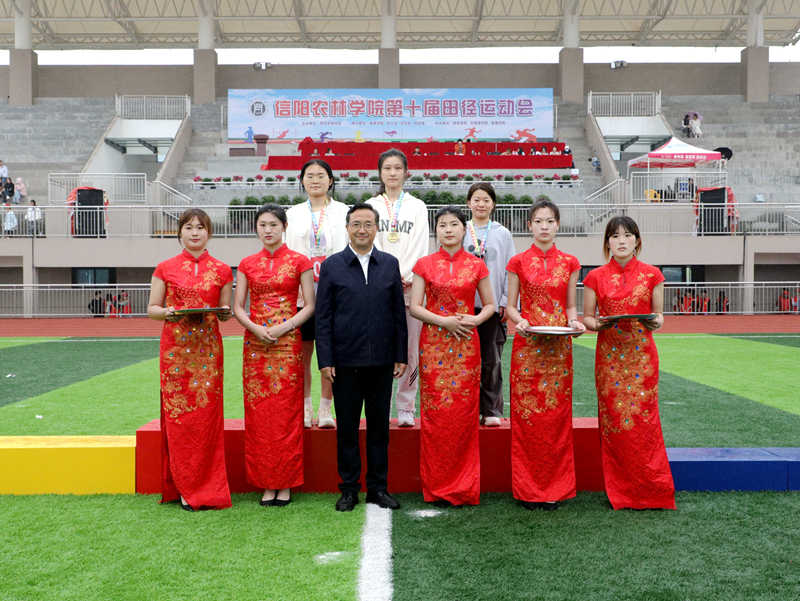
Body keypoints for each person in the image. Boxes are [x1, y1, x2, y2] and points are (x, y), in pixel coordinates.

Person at [315, 203, 408, 512]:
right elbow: (323, 318)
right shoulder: (332, 266)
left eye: (368, 224)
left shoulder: (390, 264)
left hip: (382, 361)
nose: (362, 229)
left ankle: (378, 488)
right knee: (347, 429)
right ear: (347, 228)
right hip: (344, 363)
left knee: (379, 428)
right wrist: (325, 359)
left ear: (377, 228)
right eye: (356, 224)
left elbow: (398, 313)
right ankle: (349, 489)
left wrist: (400, 354)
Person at [582, 216, 676, 511]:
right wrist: (599, 325)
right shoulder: (595, 277)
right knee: (615, 421)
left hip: (642, 359)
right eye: (614, 236)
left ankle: (651, 488)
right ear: (607, 242)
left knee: (645, 422)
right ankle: (622, 491)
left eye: (627, 235)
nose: (621, 241)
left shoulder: (652, 275)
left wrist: (655, 322)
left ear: (637, 240)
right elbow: (588, 318)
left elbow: (659, 316)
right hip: (609, 359)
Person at [147, 208, 234, 511]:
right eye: (188, 227)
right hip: (175, 354)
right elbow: (153, 309)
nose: (195, 233)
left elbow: (224, 312)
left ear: (209, 232)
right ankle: (185, 487)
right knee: (180, 420)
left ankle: (208, 487)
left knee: (207, 420)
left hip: (208, 353)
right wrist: (167, 312)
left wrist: (225, 313)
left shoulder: (222, 270)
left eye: (200, 227)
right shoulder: (165, 268)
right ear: (180, 232)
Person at [410, 206, 495, 507]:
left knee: (463, 414)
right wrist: (443, 321)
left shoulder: (476, 265)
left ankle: (463, 487)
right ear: (436, 231)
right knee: (436, 414)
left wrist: (475, 319)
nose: (448, 229)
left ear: (463, 229)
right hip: (433, 344)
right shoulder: (424, 264)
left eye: (454, 224)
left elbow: (490, 305)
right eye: (443, 225)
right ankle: (436, 487)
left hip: (466, 346)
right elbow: (415, 307)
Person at [505, 199, 585, 511]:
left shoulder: (570, 262)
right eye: (538, 221)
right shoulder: (518, 262)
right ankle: (527, 490)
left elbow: (570, 306)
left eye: (550, 221)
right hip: (527, 348)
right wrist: (520, 321)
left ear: (557, 225)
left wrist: (574, 323)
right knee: (528, 419)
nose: (544, 226)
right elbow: (511, 306)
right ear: (529, 225)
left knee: (555, 418)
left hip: (559, 349)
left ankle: (554, 489)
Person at [233, 204, 316, 507]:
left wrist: (285, 327)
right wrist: (255, 328)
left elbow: (310, 305)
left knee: (286, 413)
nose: (268, 230)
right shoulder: (247, 263)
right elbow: (238, 307)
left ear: (284, 227)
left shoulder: (300, 261)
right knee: (259, 414)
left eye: (273, 225)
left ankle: (286, 482)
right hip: (256, 345)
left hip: (287, 343)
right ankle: (266, 483)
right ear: (256, 228)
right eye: (262, 225)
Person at [367, 149, 429, 427]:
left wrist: (402, 274)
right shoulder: (370, 205)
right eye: (387, 168)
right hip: (378, 287)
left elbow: (420, 244)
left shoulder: (418, 206)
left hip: (409, 287)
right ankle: (380, 406)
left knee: (411, 349)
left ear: (406, 172)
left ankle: (406, 407)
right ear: (380, 173)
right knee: (380, 348)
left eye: (397, 168)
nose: (392, 173)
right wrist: (387, 275)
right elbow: (370, 241)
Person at [285, 159, 349, 429]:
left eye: (321, 175)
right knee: (302, 354)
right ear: (302, 181)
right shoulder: (292, 214)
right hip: (301, 296)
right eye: (309, 176)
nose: (315, 180)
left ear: (330, 180)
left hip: (335, 296)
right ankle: (305, 406)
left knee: (329, 353)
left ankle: (325, 408)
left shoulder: (344, 212)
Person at [463, 183, 515, 427]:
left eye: (486, 199)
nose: (481, 204)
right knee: (464, 359)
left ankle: (491, 410)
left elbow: (510, 269)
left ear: (493, 204)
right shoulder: (461, 229)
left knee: (491, 360)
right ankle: (467, 408)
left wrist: (505, 301)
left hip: (492, 307)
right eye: (476, 199)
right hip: (464, 306)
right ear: (468, 203)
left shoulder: (502, 233)